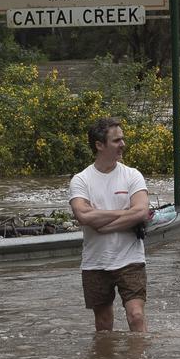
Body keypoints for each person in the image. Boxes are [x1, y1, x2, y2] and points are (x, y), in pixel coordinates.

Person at [69, 117, 150, 332]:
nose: (122, 144)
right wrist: (125, 213)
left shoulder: (132, 175)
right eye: (116, 141)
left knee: (136, 316)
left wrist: (103, 222)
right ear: (99, 145)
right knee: (103, 325)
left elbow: (142, 211)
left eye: (122, 139)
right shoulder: (81, 180)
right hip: (96, 261)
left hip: (131, 258)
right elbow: (83, 215)